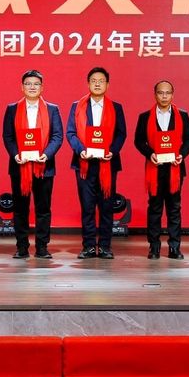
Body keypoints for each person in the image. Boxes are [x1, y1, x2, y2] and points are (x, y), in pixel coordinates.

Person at [2, 70, 64, 259]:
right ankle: (21, 247)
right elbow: (8, 136)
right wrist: (16, 155)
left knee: (43, 209)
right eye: (28, 84)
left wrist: (46, 155)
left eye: (36, 84)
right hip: (19, 166)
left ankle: (42, 247)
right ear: (22, 87)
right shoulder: (12, 109)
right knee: (20, 209)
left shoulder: (52, 109)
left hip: (44, 167)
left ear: (42, 87)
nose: (32, 87)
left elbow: (57, 136)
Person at [66, 67, 127, 259]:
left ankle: (106, 247)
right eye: (93, 80)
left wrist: (112, 151)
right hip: (84, 164)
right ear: (88, 83)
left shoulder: (116, 107)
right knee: (87, 207)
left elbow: (121, 134)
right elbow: (71, 133)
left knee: (107, 207)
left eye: (101, 81)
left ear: (107, 84)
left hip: (107, 164)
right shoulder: (77, 106)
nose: (97, 84)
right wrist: (81, 150)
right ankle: (89, 246)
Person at [133, 80, 189, 260]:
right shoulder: (145, 117)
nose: (164, 96)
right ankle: (154, 247)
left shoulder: (182, 115)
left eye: (168, 93)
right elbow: (138, 141)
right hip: (155, 169)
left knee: (174, 209)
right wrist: (149, 154)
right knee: (155, 208)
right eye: (161, 93)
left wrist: (182, 154)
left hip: (175, 168)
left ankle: (174, 247)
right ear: (155, 95)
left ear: (173, 95)